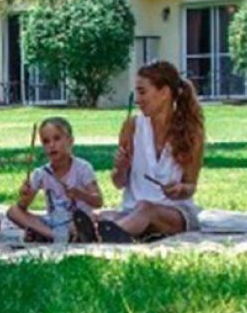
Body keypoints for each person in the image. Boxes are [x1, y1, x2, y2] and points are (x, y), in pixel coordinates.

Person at [80, 60, 204, 244]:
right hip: (132, 211)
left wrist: (180, 190)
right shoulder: (132, 126)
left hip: (174, 212)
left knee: (146, 209)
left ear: (164, 93)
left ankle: (102, 237)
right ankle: (108, 230)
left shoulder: (191, 131)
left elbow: (190, 186)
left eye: (142, 91)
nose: (137, 99)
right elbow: (118, 182)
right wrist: (121, 169)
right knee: (100, 215)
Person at [7, 117, 102, 242]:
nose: (51, 145)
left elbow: (98, 201)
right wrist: (25, 196)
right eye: (46, 141)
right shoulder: (40, 173)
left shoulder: (83, 168)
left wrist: (80, 194)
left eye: (57, 139)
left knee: (89, 220)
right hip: (52, 222)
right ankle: (53, 235)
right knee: (12, 211)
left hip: (76, 221)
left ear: (70, 141)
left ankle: (46, 234)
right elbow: (22, 207)